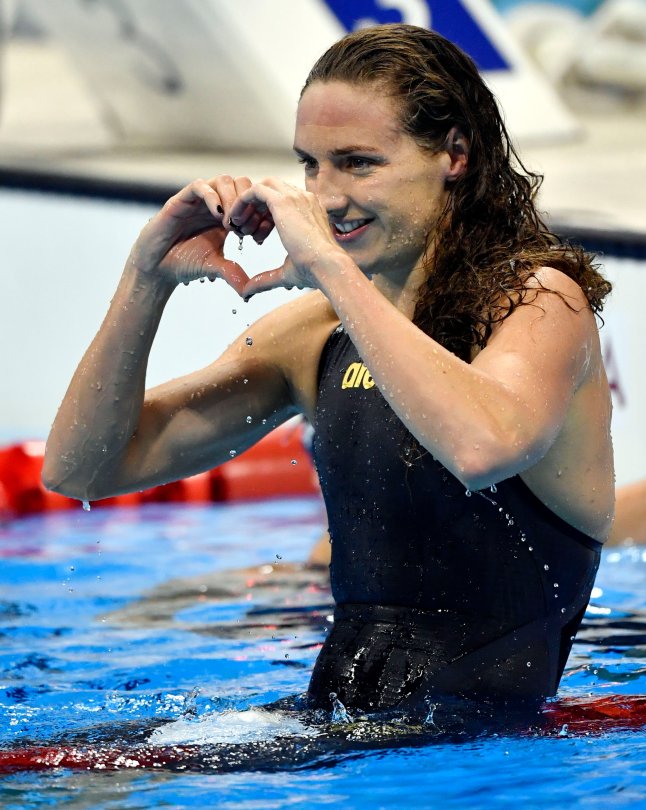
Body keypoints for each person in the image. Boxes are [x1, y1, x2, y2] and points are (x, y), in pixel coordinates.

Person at [43, 24, 614, 721]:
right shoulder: (315, 335)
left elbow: (481, 447)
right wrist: (146, 278)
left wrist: (331, 267)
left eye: (358, 163)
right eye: (311, 165)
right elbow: (82, 471)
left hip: (486, 750)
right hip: (341, 732)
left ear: (454, 155)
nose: (327, 196)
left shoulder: (540, 303)